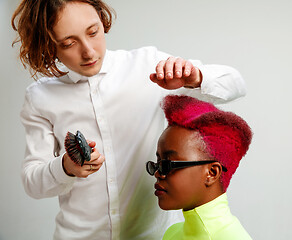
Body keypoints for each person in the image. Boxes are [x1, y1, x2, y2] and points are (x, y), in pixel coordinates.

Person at [11, 0, 247, 239]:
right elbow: (33, 182)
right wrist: (66, 168)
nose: (88, 51)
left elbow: (236, 84)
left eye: (93, 32)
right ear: (49, 47)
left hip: (155, 236)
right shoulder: (40, 97)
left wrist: (194, 77)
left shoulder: (147, 65)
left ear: (103, 21)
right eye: (69, 43)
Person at [146, 95, 253, 240]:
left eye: (167, 164)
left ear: (212, 173)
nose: (158, 173)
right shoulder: (172, 233)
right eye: (157, 164)